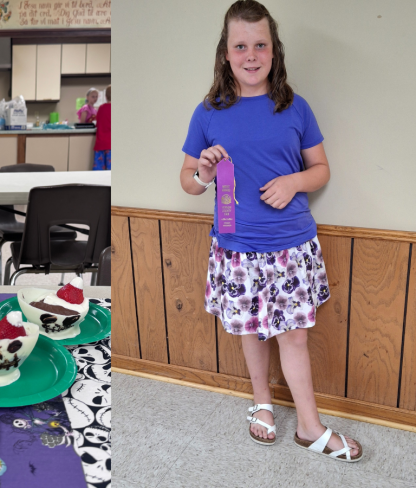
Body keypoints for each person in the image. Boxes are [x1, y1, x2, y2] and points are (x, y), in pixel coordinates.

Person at [179, 0, 362, 462]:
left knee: (294, 335)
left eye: (261, 44)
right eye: (241, 45)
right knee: (248, 330)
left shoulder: (295, 108)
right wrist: (202, 172)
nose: (251, 54)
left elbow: (320, 168)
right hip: (236, 248)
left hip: (291, 245)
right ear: (226, 52)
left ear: (274, 51)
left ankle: (309, 426)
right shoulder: (208, 112)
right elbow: (188, 181)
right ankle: (261, 403)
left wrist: (294, 182)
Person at [93, 85, 111, 171]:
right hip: (111, 145)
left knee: (98, 175)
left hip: (100, 145)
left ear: (106, 96)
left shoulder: (101, 108)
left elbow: (98, 123)